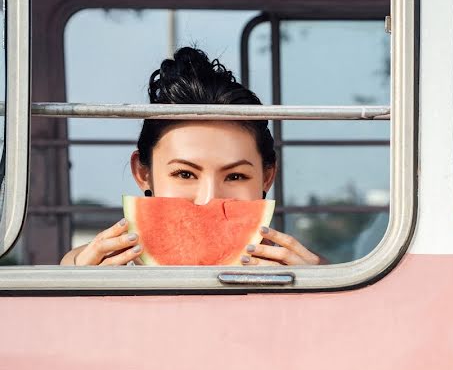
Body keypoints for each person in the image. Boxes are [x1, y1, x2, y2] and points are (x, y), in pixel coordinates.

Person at [61, 47, 322, 266]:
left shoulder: (305, 271)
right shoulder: (99, 264)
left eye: (235, 176)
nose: (209, 199)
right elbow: (68, 264)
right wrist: (76, 277)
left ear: (267, 177)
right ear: (143, 173)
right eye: (184, 174)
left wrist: (316, 289)